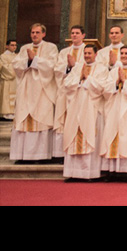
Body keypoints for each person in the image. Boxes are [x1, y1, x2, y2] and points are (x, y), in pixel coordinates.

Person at [61, 44, 110, 180]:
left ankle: (89, 173)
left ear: (96, 54)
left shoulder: (102, 69)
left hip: (91, 108)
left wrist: (88, 78)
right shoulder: (77, 68)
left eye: (90, 53)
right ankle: (73, 173)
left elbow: (102, 88)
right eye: (85, 53)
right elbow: (67, 84)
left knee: (90, 138)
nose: (87, 55)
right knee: (73, 137)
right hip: (76, 107)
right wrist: (79, 78)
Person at [11, 23, 59, 161]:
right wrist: (28, 60)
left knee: (41, 121)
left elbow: (52, 65)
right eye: (32, 32)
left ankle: (40, 155)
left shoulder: (51, 47)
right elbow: (16, 64)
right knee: (23, 120)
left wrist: (35, 59)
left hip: (42, 90)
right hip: (26, 89)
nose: (34, 35)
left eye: (37, 32)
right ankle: (22, 155)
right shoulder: (25, 48)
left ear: (44, 34)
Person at [99, 45, 127, 178]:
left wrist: (125, 82)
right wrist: (115, 83)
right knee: (113, 136)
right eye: (122, 53)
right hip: (115, 108)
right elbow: (105, 89)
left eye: (126, 53)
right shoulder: (113, 72)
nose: (124, 56)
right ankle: (113, 171)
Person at [53, 25, 88, 158]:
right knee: (63, 120)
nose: (74, 35)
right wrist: (68, 66)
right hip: (65, 91)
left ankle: (75, 150)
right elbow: (57, 69)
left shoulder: (88, 50)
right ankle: (60, 154)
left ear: (83, 35)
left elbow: (89, 68)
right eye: (72, 33)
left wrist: (75, 65)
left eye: (77, 33)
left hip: (80, 92)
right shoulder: (64, 52)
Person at [0, 39, 17, 120]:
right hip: (7, 80)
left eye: (15, 45)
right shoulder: (3, 56)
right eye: (12, 45)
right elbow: (5, 68)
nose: (14, 47)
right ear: (7, 46)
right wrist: (14, 66)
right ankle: (6, 113)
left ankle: (13, 112)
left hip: (15, 81)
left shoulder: (17, 56)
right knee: (6, 97)